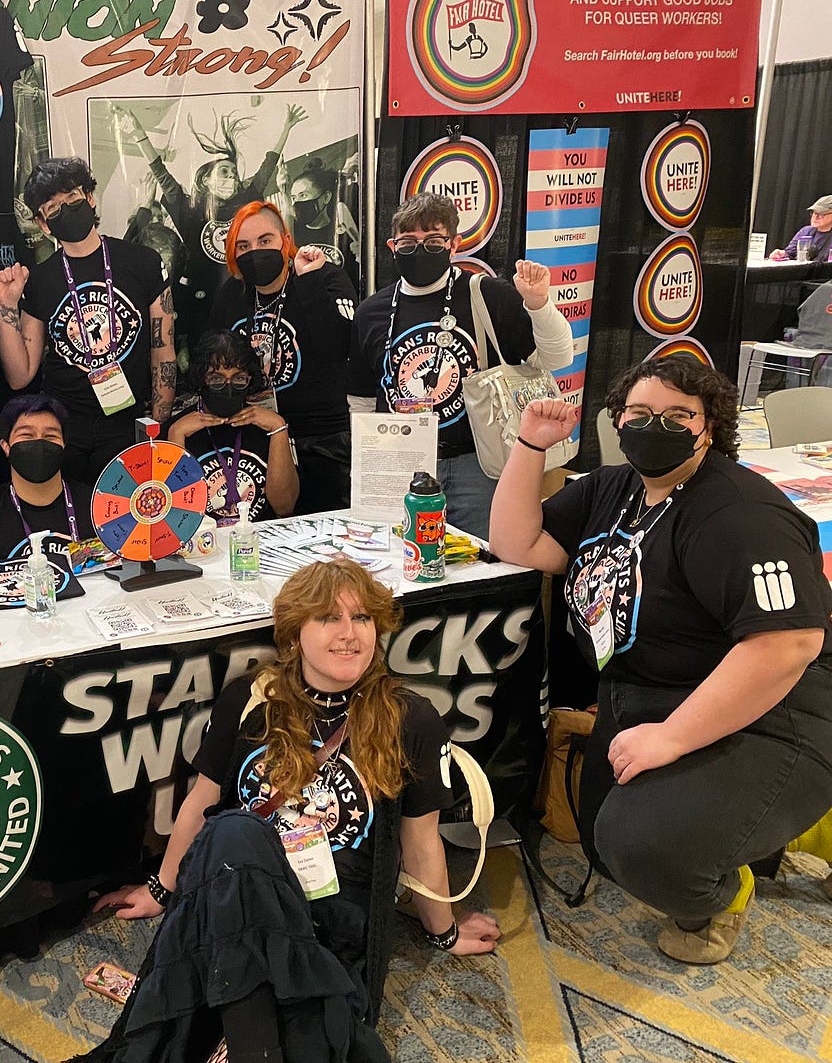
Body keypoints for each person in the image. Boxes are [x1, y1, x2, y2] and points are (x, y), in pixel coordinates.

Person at [489, 358, 832, 964]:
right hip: (655, 692)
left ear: (711, 426)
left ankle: (725, 894)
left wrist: (672, 739)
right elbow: (519, 544)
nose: (656, 427)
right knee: (599, 839)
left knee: (644, 846)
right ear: (617, 421)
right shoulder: (613, 488)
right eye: (640, 414)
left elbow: (787, 645)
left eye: (679, 415)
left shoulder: (738, 512)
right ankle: (769, 825)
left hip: (776, 705)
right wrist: (528, 447)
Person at [85, 560, 499, 1062]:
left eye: (363, 618)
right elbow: (200, 803)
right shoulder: (248, 698)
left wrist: (444, 931)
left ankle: (239, 1040)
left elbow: (420, 840)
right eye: (329, 618)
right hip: (240, 890)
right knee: (233, 833)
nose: (350, 635)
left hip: (332, 913)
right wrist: (160, 887)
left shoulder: (409, 716)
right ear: (294, 632)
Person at [352, 193, 573, 538]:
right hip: (402, 463)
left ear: (454, 244)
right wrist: (368, 463)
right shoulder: (371, 312)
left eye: (434, 241)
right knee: (403, 566)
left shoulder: (486, 295)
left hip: (478, 464)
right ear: (392, 246)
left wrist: (538, 303)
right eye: (409, 243)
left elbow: (557, 358)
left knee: (487, 566)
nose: (421, 250)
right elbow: (363, 398)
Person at [0, 158, 176, 484]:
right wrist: (7, 307)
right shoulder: (42, 278)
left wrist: (157, 423)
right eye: (52, 207)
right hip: (65, 427)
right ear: (43, 223)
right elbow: (21, 376)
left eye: (73, 198)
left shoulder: (142, 262)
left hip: (127, 421)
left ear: (90, 198)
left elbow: (163, 350)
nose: (65, 209)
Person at [113, 105, 307, 353]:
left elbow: (265, 170)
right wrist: (139, 134)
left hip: (240, 300)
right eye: (224, 172)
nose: (232, 178)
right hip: (198, 304)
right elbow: (161, 173)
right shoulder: (190, 210)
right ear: (205, 179)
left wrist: (286, 129)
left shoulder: (244, 205)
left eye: (235, 174)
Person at [209, 201, 357, 514]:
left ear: (285, 241)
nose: (255, 252)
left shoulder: (324, 277)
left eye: (265, 241)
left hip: (324, 442)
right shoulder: (231, 296)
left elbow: (337, 345)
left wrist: (306, 282)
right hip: (257, 439)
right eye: (244, 245)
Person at [167, 328, 298, 524]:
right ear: (201, 379)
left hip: (257, 540)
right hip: (202, 544)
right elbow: (174, 517)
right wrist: (175, 437)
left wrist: (279, 428)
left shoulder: (270, 425)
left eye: (238, 378)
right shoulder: (179, 428)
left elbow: (285, 507)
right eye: (216, 379)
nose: (228, 388)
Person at [0, 393, 97, 562]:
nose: (39, 443)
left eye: (51, 436)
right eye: (26, 435)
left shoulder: (98, 507)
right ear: (6, 446)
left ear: (64, 445)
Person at [285, 157, 359, 269]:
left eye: (303, 195)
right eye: (294, 198)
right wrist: (283, 192)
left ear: (326, 197)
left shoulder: (343, 228)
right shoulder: (295, 232)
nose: (298, 202)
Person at [770, 195, 832, 262]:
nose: (816, 217)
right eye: (814, 213)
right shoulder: (805, 231)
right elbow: (790, 253)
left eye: (821, 214)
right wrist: (781, 254)